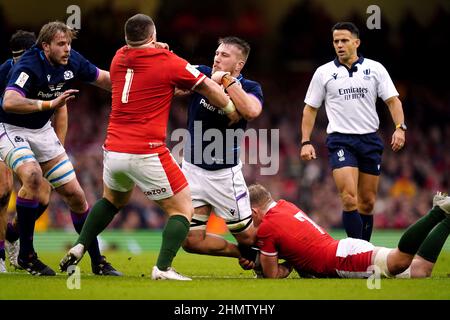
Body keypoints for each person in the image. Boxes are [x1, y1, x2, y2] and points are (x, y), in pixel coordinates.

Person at [59, 13, 240, 280]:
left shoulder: (119, 57)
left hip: (113, 150)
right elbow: (208, 88)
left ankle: (81, 244)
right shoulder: (168, 62)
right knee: (182, 210)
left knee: (111, 200)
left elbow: (141, 51)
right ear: (153, 37)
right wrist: (229, 108)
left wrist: (156, 47)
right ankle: (163, 268)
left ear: (127, 38)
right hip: (146, 149)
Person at [0, 21, 120, 276]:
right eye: (61, 44)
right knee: (31, 177)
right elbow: (9, 102)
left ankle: (97, 261)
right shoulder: (28, 65)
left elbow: (104, 79)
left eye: (68, 44)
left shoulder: (72, 61)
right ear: (45, 46)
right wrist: (48, 105)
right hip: (12, 129)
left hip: (42, 132)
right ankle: (26, 256)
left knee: (76, 195)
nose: (67, 49)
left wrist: (136, 88)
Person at [300, 22, 406, 241]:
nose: (339, 45)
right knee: (349, 197)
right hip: (341, 140)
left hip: (370, 140)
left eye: (344, 40)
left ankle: (364, 251)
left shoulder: (375, 69)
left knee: (367, 202)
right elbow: (310, 109)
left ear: (356, 42)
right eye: (336, 41)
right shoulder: (323, 73)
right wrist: (305, 141)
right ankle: (353, 253)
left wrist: (400, 128)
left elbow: (393, 101)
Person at [242, 184, 450, 279]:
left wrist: (288, 265)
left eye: (249, 216)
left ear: (254, 210)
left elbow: (272, 275)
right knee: (421, 270)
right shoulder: (285, 205)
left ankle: (437, 212)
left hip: (342, 260)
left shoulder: (267, 227)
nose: (249, 221)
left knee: (400, 261)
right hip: (343, 249)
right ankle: (448, 219)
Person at [180, 36, 263, 260]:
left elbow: (251, 111)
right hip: (192, 170)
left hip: (224, 175)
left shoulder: (251, 87)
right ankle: (246, 256)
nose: (217, 58)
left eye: (224, 55)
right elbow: (175, 78)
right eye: (217, 53)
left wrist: (225, 80)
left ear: (239, 64)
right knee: (191, 241)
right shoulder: (202, 72)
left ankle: (282, 254)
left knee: (248, 238)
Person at [0, 30, 63, 272]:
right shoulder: (5, 72)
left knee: (44, 195)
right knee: (4, 192)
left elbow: (61, 111)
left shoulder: (46, 70)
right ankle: (1, 255)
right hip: (5, 132)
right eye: (17, 59)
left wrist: (57, 151)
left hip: (36, 136)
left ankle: (13, 235)